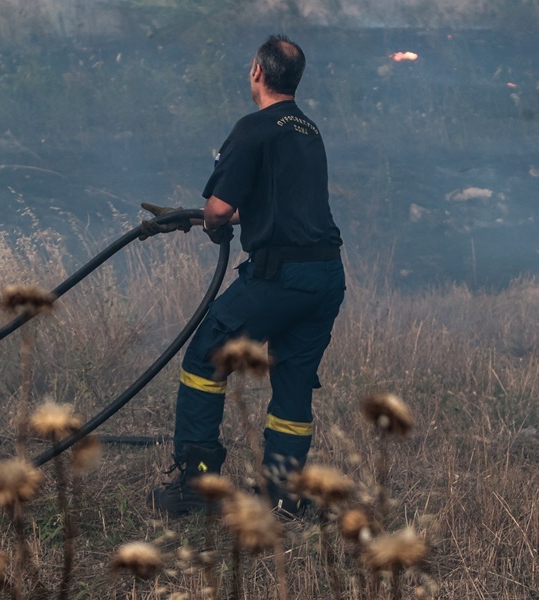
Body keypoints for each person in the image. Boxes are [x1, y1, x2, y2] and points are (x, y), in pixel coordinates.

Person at [141, 34, 345, 517]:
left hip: (279, 279)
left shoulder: (252, 128)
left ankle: (196, 489)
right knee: (292, 381)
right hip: (325, 279)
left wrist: (210, 219)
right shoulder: (308, 131)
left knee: (204, 358)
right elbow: (270, 211)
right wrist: (195, 218)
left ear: (257, 71)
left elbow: (222, 209)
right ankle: (284, 497)